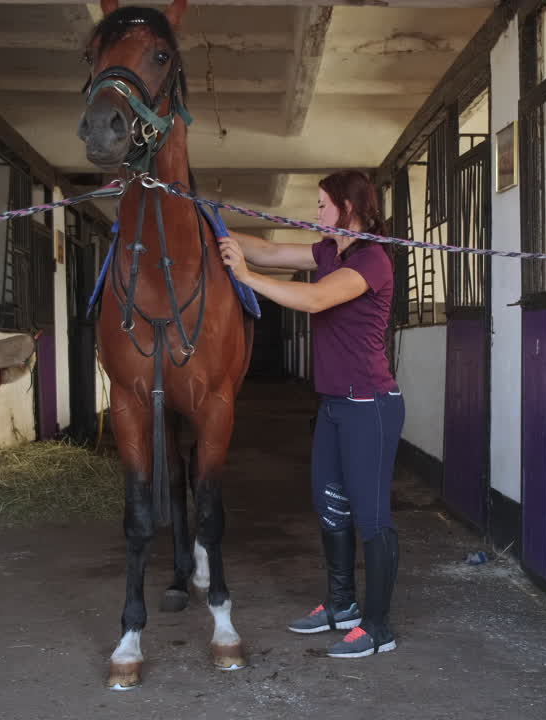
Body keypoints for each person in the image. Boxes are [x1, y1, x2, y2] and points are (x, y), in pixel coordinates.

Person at [217, 169, 403, 659]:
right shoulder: (328, 251)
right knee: (329, 506)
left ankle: (378, 627)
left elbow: (316, 298)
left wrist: (248, 279)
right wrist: (204, 222)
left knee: (373, 517)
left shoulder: (372, 261)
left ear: (348, 207)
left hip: (371, 406)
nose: (316, 213)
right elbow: (268, 249)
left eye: (323, 205)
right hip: (335, 406)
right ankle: (342, 605)